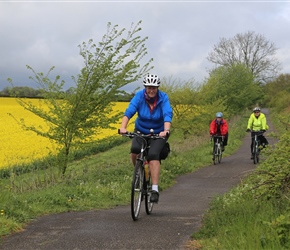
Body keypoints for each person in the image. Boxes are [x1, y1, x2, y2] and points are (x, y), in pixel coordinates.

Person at [119, 74, 173, 203]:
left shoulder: (163, 98)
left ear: (157, 88)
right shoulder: (139, 96)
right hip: (141, 130)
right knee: (134, 150)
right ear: (145, 87)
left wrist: (166, 130)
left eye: (154, 87)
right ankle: (139, 172)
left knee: (154, 155)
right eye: (149, 87)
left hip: (158, 133)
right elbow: (129, 111)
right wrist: (123, 127)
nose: (151, 90)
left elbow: (167, 113)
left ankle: (154, 189)